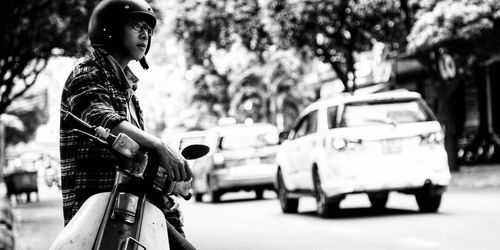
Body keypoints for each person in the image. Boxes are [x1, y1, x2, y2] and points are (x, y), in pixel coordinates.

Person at [59, 0, 192, 242]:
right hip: (99, 215)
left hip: (130, 207)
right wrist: (160, 146)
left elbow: (134, 155)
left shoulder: (128, 91)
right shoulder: (87, 74)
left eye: (148, 29)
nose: (145, 34)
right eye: (136, 25)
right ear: (109, 28)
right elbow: (103, 119)